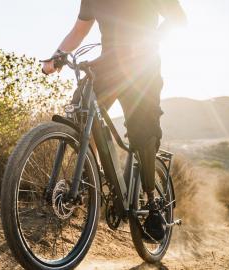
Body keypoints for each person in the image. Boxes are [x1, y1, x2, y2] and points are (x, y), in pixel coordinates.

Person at [42, 0, 186, 242]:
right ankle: (94, 178)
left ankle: (152, 206)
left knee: (143, 133)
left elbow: (178, 19)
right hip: (107, 65)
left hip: (143, 67)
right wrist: (56, 57)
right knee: (80, 110)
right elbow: (79, 30)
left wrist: (151, 40)